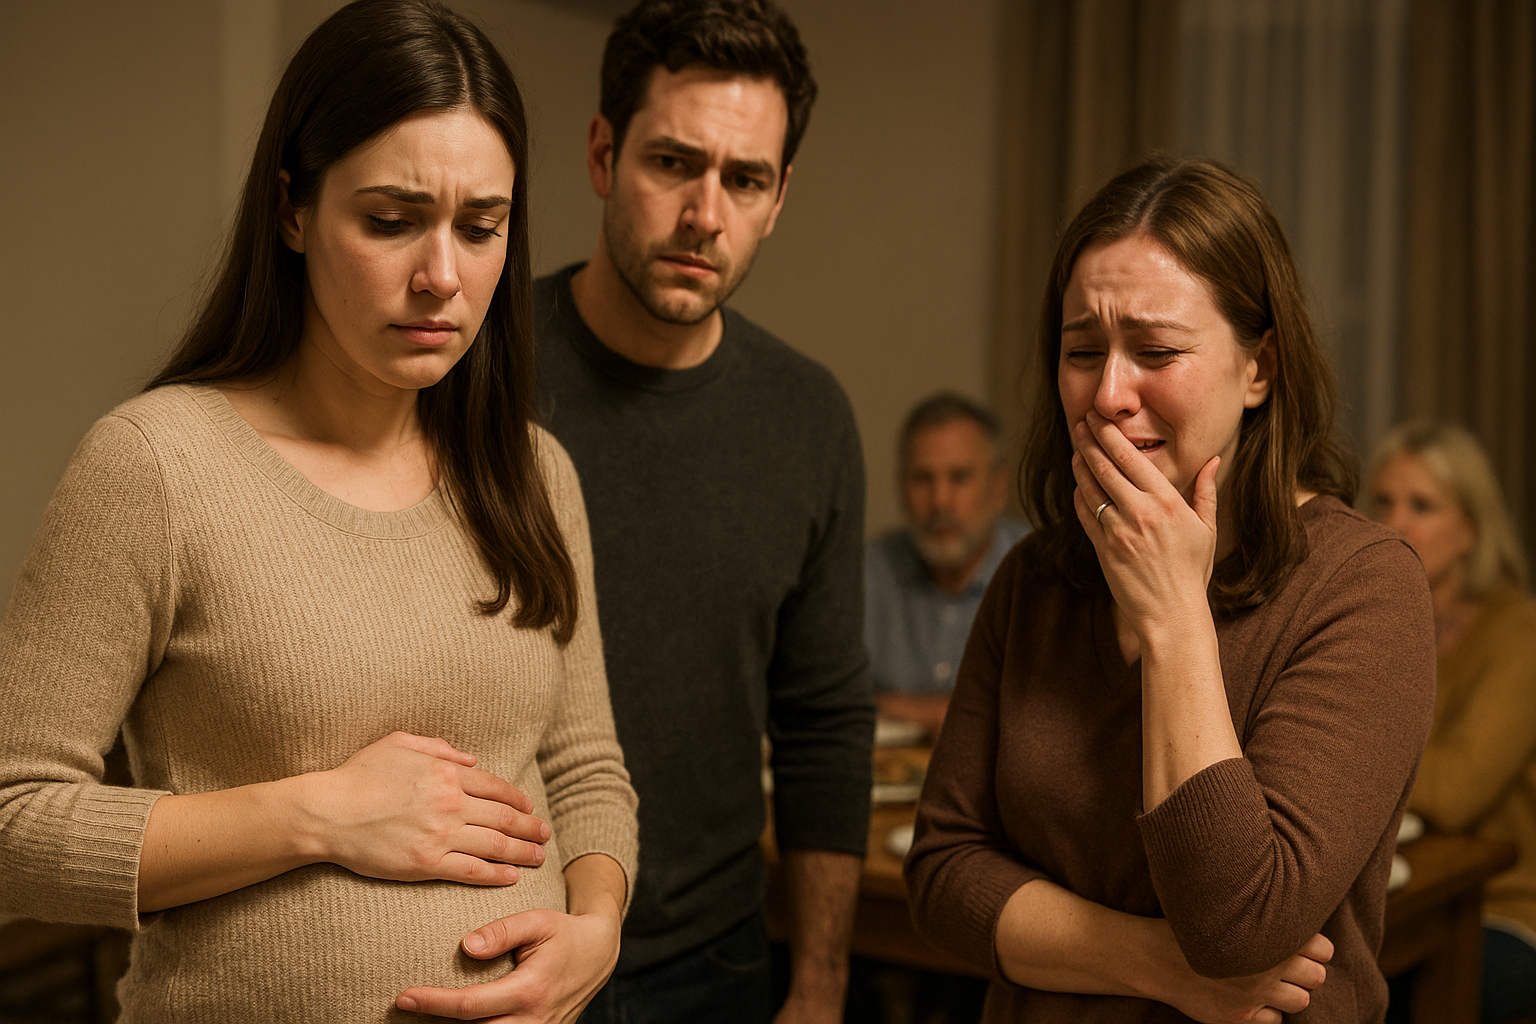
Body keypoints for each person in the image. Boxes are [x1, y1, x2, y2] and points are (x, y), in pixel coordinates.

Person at [0, 3, 638, 1021]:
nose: (441, 276)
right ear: (293, 210)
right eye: (390, 220)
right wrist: (319, 815)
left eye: (481, 227)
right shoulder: (157, 466)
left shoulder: (532, 473)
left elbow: (585, 764)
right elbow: (13, 828)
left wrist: (595, 929)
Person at [904, 155, 1438, 1023]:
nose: (1109, 394)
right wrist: (1160, 966)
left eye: (1156, 351)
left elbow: (1239, 923)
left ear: (1259, 369)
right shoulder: (1034, 578)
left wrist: (1173, 612)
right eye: (1083, 352)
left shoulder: (1364, 585)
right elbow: (942, 873)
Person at [531, 1, 874, 1021]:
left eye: (745, 179)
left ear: (778, 200)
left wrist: (820, 979)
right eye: (673, 163)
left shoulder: (809, 416)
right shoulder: (470, 368)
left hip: (716, 964)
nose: (704, 213)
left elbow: (823, 723)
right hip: (494, 941)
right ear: (602, 153)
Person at [1368, 421, 1536, 1023]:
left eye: (1422, 506)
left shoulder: (1516, 635)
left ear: (1469, 529)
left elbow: (1456, 791)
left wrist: (1348, 751)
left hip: (1503, 904)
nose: (1395, 523)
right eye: (1383, 501)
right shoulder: (1373, 624)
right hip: (1394, 892)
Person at [865, 392, 1029, 739]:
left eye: (959, 478)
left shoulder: (1041, 573)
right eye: (923, 479)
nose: (939, 500)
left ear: (997, 485)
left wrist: (905, 709)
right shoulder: (866, 573)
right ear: (901, 485)